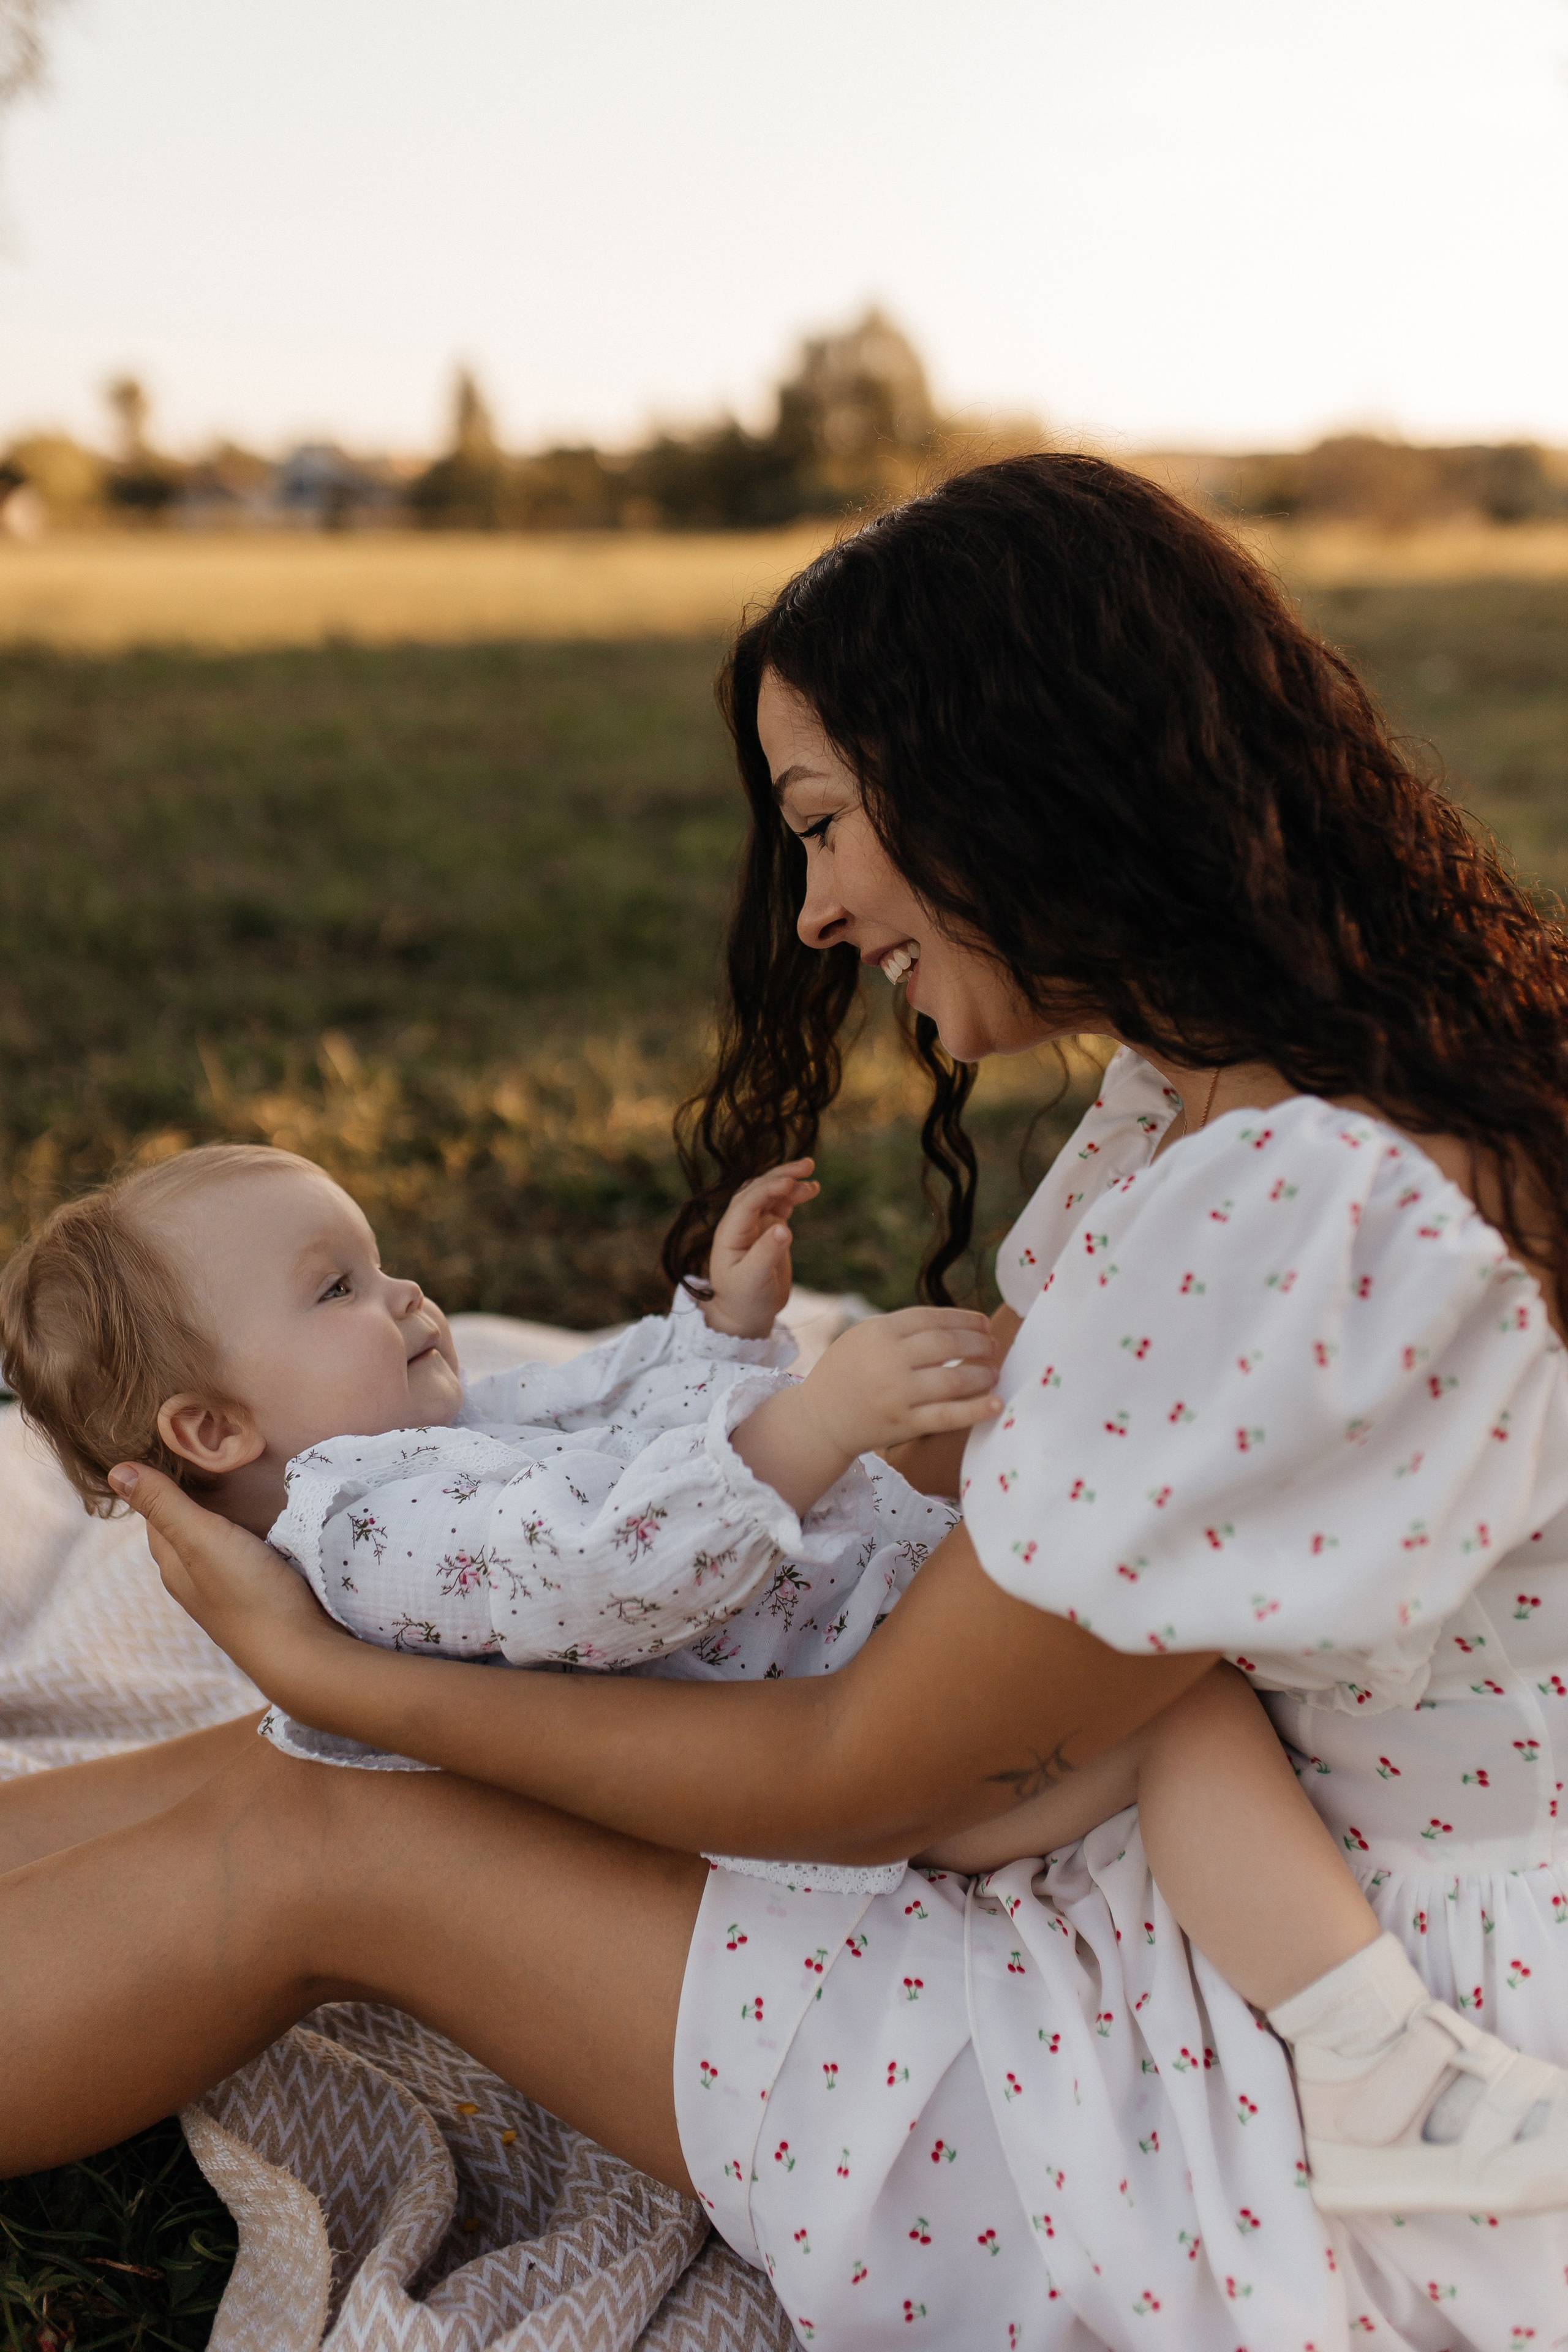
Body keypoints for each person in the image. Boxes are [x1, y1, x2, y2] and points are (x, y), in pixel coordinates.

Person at [2, 454, 1567, 2348]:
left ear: (1014, 778)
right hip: (1220, 1872)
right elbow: (1101, 1476)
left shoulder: (1300, 1201)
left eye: (825, 826)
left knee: (334, 1820)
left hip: (1307, 2054)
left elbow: (863, 1777)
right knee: (290, 1775)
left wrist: (348, 1684)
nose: (814, 910)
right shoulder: (1262, 1082)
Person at [0, 1138, 1463, 2133]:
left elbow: (609, 1429)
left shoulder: (411, 1443)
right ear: (212, 1429)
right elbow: (601, 1571)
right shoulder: (371, 1528)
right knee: (1180, 1719)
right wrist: (809, 1424)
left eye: (377, 1261)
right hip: (856, 1733)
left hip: (860, 1672)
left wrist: (715, 1330)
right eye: (337, 1289)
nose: (404, 1294)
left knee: (1180, 1706)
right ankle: (1364, 2043)